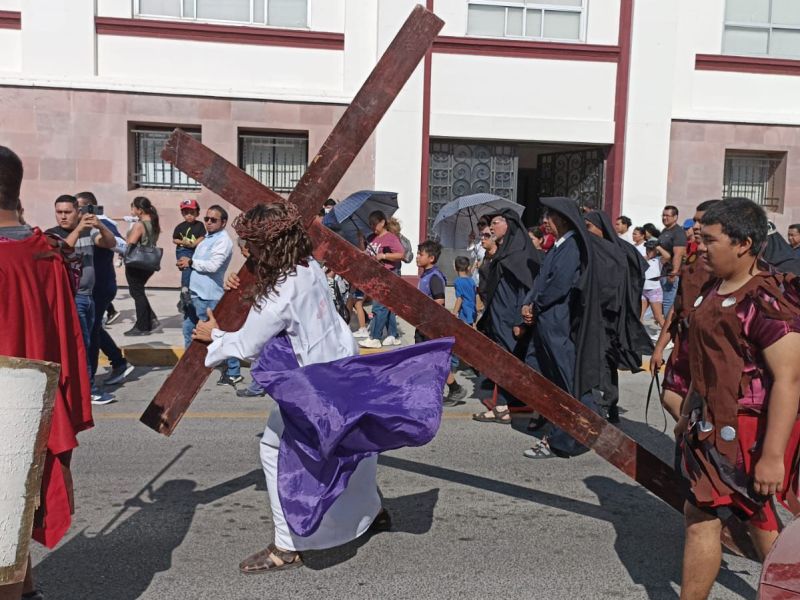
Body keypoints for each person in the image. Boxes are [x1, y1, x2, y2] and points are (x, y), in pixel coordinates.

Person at [191, 202, 452, 574]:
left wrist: (212, 336)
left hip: (316, 384)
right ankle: (372, 513)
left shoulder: (278, 293)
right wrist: (241, 277)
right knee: (355, 446)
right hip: (343, 365)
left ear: (268, 247)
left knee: (274, 448)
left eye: (250, 245)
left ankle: (286, 546)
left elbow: (247, 345)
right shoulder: (308, 265)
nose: (246, 251)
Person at [676, 197, 800, 598]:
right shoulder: (713, 287)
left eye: (711, 240)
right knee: (706, 514)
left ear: (743, 243)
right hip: (711, 423)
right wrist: (691, 405)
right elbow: (706, 360)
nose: (702, 248)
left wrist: (772, 456)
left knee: (750, 516)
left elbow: (789, 380)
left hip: (749, 430)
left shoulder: (767, 299)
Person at [0, 146, 93, 598]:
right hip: (32, 405)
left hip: (8, 405)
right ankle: (29, 587)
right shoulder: (44, 253)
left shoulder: (38, 253)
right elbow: (67, 340)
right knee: (16, 500)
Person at [521, 197, 605, 458]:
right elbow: (541, 281)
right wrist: (528, 303)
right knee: (546, 375)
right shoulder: (557, 246)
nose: (545, 221)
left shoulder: (571, 247)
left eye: (550, 216)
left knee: (567, 381)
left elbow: (559, 285)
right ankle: (580, 425)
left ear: (564, 219)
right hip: (546, 320)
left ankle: (571, 436)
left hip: (556, 321)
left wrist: (536, 305)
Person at [651, 200, 721, 420]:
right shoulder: (694, 261)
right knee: (670, 397)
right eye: (696, 221)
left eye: (704, 221)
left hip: (709, 348)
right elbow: (676, 308)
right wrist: (659, 348)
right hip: (685, 342)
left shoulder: (724, 265)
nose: (696, 227)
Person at [473, 209, 541, 424]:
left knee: (509, 364)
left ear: (508, 224)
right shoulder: (502, 251)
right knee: (501, 363)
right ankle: (501, 405)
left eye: (495, 223)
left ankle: (507, 407)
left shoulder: (519, 253)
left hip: (511, 321)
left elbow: (526, 290)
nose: (491, 227)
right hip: (497, 318)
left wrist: (520, 322)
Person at [46, 194, 117, 401]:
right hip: (71, 298)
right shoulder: (52, 234)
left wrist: (100, 226)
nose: (63, 217)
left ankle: (85, 387)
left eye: (68, 212)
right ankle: (88, 390)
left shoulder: (88, 233)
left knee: (89, 343)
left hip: (89, 297)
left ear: (78, 211)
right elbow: (63, 249)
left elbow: (110, 242)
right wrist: (78, 229)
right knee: (81, 345)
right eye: (59, 212)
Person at [75, 192, 134, 398]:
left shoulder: (104, 222)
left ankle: (90, 382)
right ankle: (118, 362)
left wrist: (99, 226)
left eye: (80, 207)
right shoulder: (79, 224)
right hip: (89, 288)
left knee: (91, 332)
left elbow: (123, 246)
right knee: (94, 328)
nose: (78, 211)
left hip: (101, 287)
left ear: (91, 207)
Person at [178, 205, 241, 386]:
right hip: (195, 294)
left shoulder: (223, 241)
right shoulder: (207, 238)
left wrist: (191, 262)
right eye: (206, 219)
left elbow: (213, 266)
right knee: (189, 330)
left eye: (213, 220)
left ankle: (234, 371)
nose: (208, 222)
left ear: (223, 222)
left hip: (209, 295)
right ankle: (189, 368)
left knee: (218, 335)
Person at [414, 240, 467, 406]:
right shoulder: (426, 275)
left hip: (430, 326)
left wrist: (424, 314)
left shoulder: (434, 277)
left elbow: (439, 301)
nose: (417, 257)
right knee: (429, 360)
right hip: (423, 325)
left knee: (434, 359)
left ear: (431, 258)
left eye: (420, 255)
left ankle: (453, 389)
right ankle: (445, 389)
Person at [358, 211, 405, 349]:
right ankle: (393, 335)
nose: (373, 227)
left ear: (382, 222)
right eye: (371, 224)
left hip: (388, 275)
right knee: (388, 306)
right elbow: (367, 254)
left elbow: (401, 254)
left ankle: (375, 337)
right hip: (376, 275)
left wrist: (383, 256)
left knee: (379, 306)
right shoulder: (372, 237)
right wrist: (361, 241)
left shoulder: (390, 238)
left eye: (375, 224)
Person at [124, 196, 161, 336]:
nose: (132, 210)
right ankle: (150, 319)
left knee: (137, 293)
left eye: (133, 207)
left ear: (139, 210)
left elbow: (130, 243)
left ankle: (142, 326)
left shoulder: (140, 225)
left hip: (136, 263)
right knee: (138, 292)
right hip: (148, 263)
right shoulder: (154, 222)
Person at [173, 198, 206, 311]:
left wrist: (194, 244)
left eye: (192, 213)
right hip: (183, 250)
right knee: (187, 267)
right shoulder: (180, 226)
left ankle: (184, 298)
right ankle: (185, 289)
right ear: (182, 214)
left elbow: (202, 236)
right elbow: (175, 239)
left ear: (197, 213)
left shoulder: (200, 225)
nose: (189, 216)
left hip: (195, 251)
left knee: (194, 272)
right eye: (186, 213)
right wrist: (183, 242)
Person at [657, 205, 687, 317]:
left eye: (667, 216)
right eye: (663, 215)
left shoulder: (678, 232)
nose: (664, 218)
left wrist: (674, 272)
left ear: (675, 217)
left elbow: (678, 254)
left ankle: (667, 330)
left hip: (671, 273)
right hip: (663, 271)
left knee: (668, 301)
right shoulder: (665, 230)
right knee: (662, 300)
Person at [641, 240, 665, 328]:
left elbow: (668, 256)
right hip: (643, 290)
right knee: (639, 315)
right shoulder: (642, 258)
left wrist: (658, 247)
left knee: (658, 317)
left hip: (654, 290)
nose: (649, 251)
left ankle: (668, 336)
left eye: (651, 249)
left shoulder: (659, 260)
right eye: (648, 249)